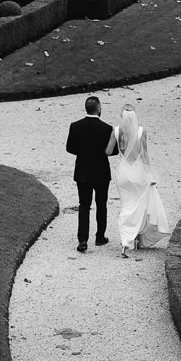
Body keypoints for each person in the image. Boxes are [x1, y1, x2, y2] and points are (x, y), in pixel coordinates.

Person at [108, 103, 170, 258]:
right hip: (138, 174)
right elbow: (145, 156)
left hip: (123, 174)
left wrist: (120, 149)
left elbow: (108, 151)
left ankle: (125, 242)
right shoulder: (141, 131)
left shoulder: (116, 130)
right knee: (140, 206)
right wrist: (150, 175)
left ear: (122, 116)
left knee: (126, 207)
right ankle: (135, 238)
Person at [66, 96, 115, 254]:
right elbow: (112, 151)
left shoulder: (75, 126)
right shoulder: (107, 129)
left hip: (83, 172)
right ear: (99, 108)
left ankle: (82, 240)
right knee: (101, 204)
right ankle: (100, 237)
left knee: (84, 205)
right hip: (101, 172)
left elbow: (70, 148)